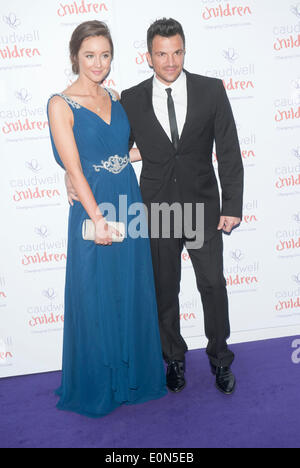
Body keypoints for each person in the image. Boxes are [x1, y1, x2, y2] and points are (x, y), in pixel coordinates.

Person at [67, 18, 244, 396]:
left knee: (212, 285)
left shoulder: (211, 91)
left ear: (184, 51)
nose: (170, 61)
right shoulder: (128, 99)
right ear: (149, 56)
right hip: (155, 212)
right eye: (161, 54)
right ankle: (174, 360)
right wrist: (72, 174)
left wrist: (232, 205)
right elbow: (111, 148)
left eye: (176, 52)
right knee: (165, 290)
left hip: (202, 209)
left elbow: (228, 150)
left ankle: (219, 358)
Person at [47, 20, 167, 418]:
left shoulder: (115, 97)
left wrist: (163, 150)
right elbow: (76, 168)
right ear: (75, 57)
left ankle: (132, 379)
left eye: (104, 55)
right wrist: (96, 218)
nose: (98, 63)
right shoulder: (60, 104)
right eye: (89, 55)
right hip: (95, 206)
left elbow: (124, 152)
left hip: (128, 200)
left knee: (128, 288)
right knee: (94, 294)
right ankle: (100, 383)